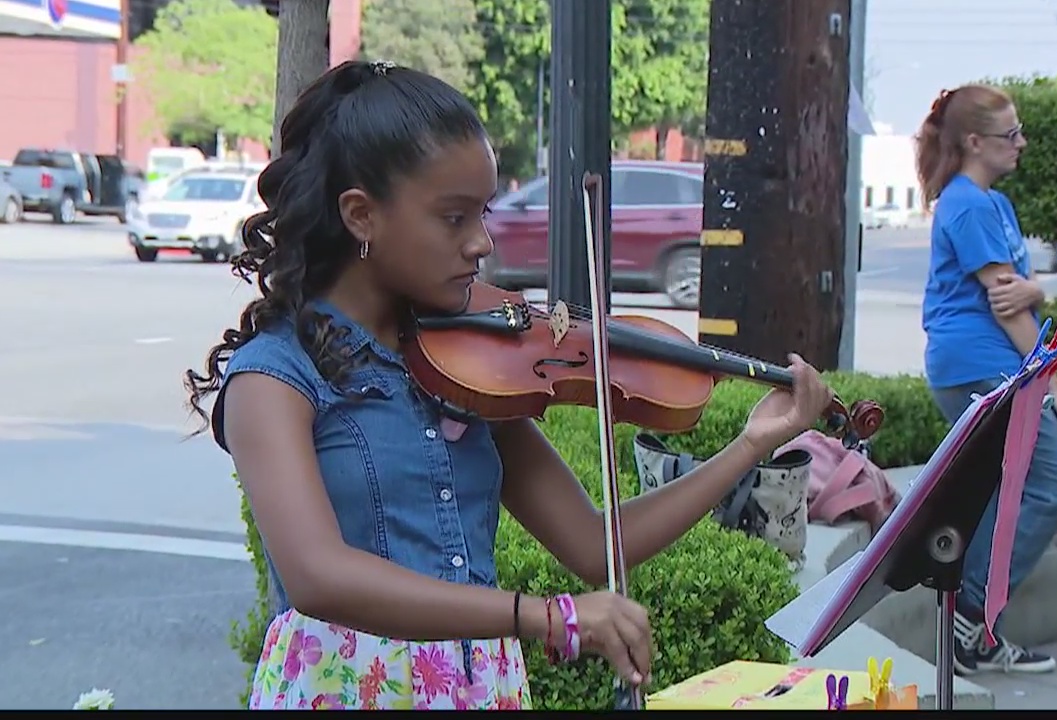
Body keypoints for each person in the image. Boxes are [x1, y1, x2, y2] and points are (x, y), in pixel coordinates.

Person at [183, 60, 837, 711]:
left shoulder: (461, 366)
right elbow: (318, 578)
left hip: (479, 687)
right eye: (453, 217)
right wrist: (545, 617)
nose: (482, 243)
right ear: (361, 216)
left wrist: (751, 445)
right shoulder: (275, 376)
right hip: (345, 689)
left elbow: (593, 543)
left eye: (485, 213)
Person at [914, 84, 1057, 675]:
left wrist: (1052, 386)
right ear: (974, 142)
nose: (1022, 143)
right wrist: (1050, 385)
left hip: (994, 365)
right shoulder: (968, 205)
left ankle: (977, 629)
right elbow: (1009, 302)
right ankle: (970, 621)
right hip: (981, 367)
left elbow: (1022, 297)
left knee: (1001, 495)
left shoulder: (994, 205)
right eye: (1011, 134)